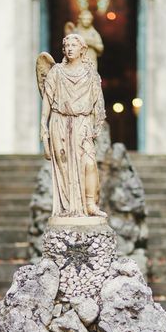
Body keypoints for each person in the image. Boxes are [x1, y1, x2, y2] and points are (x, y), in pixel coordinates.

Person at [39, 33, 106, 218]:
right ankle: (68, 207)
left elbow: (97, 102)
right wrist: (43, 125)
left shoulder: (90, 73)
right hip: (60, 122)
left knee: (89, 163)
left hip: (82, 123)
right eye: (67, 45)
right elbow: (47, 99)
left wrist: (95, 125)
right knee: (65, 167)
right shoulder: (56, 72)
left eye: (74, 45)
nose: (69, 48)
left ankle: (90, 204)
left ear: (82, 49)